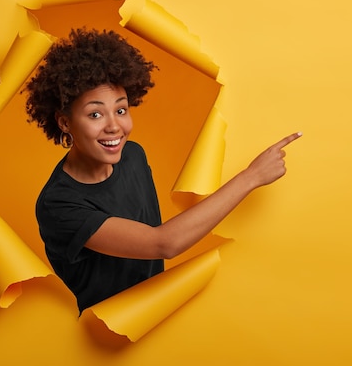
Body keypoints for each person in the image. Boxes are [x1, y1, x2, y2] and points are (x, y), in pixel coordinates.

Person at [24, 27, 301, 314]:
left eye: (121, 110)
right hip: (110, 337)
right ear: (65, 122)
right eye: (95, 114)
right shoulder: (58, 204)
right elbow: (163, 244)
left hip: (160, 314)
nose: (114, 127)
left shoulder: (132, 155)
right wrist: (252, 176)